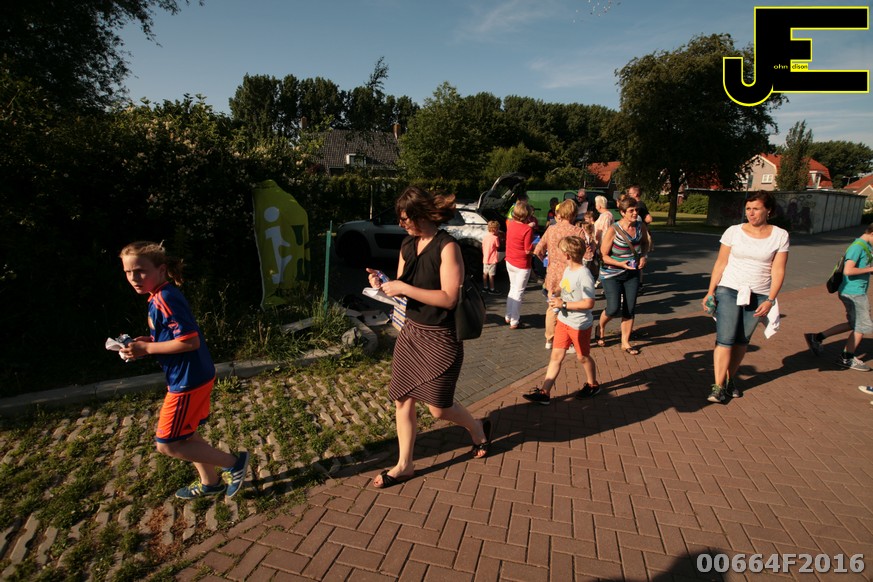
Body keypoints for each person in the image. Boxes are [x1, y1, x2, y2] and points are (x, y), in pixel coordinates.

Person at [365, 186, 490, 489]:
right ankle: (404, 465)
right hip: (412, 333)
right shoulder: (408, 244)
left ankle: (477, 428)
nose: (401, 224)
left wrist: (403, 288)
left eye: (405, 218)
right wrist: (382, 283)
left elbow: (448, 298)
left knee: (438, 408)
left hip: (442, 337)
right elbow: (402, 287)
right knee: (402, 399)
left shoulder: (448, 247)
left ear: (422, 215)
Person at [118, 242, 249, 500]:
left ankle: (234, 463)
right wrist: (147, 341)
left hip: (188, 380)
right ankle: (210, 483)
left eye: (140, 271)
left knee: (167, 444)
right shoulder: (158, 296)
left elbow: (190, 342)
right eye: (128, 272)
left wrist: (147, 349)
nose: (133, 278)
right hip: (190, 376)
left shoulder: (164, 298)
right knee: (185, 434)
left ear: (161, 270)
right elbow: (174, 336)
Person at [702, 191, 788, 403]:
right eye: (748, 209)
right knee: (725, 338)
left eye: (756, 209)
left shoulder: (780, 235)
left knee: (742, 340)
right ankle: (717, 386)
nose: (751, 213)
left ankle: (730, 380)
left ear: (768, 210)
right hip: (729, 289)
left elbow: (778, 270)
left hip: (759, 293)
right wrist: (710, 291)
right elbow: (721, 262)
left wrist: (770, 299)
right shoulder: (733, 231)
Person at [522, 236, 600, 404]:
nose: (557, 253)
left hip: (579, 325)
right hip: (564, 321)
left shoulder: (584, 274)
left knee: (582, 357)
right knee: (556, 355)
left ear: (567, 255)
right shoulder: (568, 269)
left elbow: (589, 303)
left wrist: (562, 304)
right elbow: (564, 286)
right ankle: (545, 393)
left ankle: (593, 384)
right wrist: (555, 292)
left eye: (560, 251)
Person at [804, 224, 873, 371]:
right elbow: (848, 270)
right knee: (862, 326)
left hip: (854, 291)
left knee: (854, 324)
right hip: (854, 292)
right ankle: (846, 357)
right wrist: (870, 269)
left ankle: (816, 338)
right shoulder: (858, 247)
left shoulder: (865, 245)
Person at [596, 196, 652, 354]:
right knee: (613, 308)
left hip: (632, 273)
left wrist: (643, 256)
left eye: (636, 210)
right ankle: (600, 327)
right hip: (612, 273)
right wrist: (620, 264)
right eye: (631, 210)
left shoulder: (640, 226)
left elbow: (645, 243)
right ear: (622, 212)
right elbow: (603, 255)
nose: (635, 213)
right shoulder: (613, 229)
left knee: (630, 307)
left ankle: (625, 342)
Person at [534, 199, 584, 348]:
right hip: (571, 273)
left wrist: (549, 262)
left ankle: (549, 339)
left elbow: (538, 250)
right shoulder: (577, 232)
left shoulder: (551, 229)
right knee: (570, 306)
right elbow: (586, 254)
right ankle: (568, 340)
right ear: (574, 213)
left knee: (552, 308)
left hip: (553, 274)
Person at [505, 200, 536, 329]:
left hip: (510, 260)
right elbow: (528, 249)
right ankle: (514, 320)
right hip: (522, 263)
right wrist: (536, 246)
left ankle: (508, 315)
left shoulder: (510, 224)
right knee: (518, 292)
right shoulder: (527, 229)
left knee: (512, 289)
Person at [481, 220, 501, 294]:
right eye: (498, 229)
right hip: (492, 259)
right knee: (491, 275)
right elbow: (498, 246)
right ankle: (492, 289)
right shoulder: (495, 238)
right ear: (495, 229)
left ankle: (485, 287)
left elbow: (482, 246)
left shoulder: (485, 237)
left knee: (485, 274)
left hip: (485, 259)